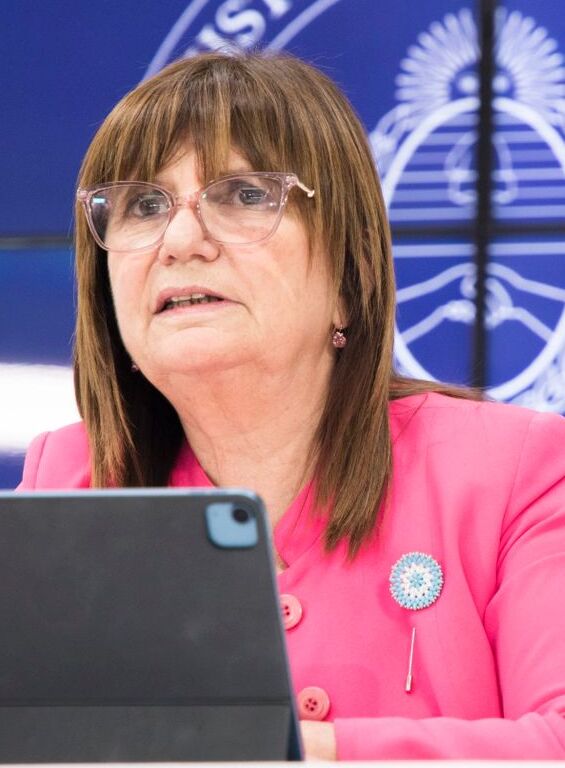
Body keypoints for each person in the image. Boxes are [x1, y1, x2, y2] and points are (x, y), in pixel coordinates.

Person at [18, 51, 565, 760]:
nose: (179, 241)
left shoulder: (514, 470)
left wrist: (288, 751)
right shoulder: (68, 479)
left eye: (243, 194)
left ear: (348, 274)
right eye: (143, 206)